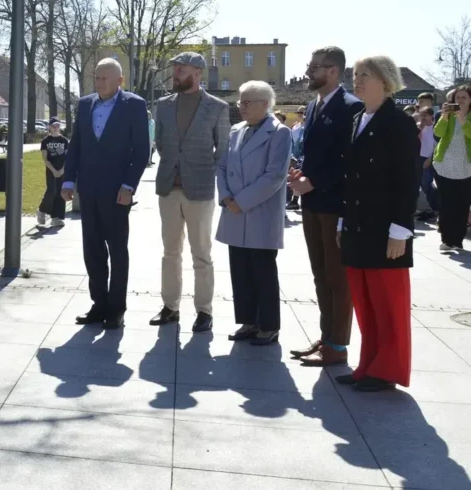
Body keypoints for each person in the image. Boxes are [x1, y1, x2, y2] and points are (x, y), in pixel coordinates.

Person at [336, 56, 418, 392]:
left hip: (386, 228)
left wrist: (401, 228)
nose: (357, 81)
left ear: (385, 81)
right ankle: (368, 365)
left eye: (364, 75)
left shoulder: (398, 122)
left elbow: (408, 179)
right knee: (365, 303)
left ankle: (388, 370)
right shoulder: (358, 118)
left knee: (388, 304)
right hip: (358, 224)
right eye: (354, 75)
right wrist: (343, 219)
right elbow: (351, 176)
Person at [288, 46, 365, 367]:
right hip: (312, 202)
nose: (309, 71)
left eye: (315, 67)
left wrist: (314, 181)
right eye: (310, 65)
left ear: (333, 70)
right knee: (320, 274)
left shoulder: (351, 107)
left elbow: (349, 159)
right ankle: (326, 336)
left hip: (335, 204)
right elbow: (316, 153)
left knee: (337, 277)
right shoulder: (314, 104)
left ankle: (337, 345)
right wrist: (300, 175)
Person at [62, 58, 150, 330]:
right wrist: (68, 181)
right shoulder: (86, 104)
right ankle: (98, 304)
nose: (99, 82)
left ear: (119, 81)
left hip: (117, 193)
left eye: (104, 78)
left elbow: (141, 151)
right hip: (88, 190)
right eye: (96, 77)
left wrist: (128, 187)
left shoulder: (134, 105)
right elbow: (76, 145)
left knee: (117, 250)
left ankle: (116, 308)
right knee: (92, 250)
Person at [151, 52, 231, 333]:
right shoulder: (162, 105)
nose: (176, 74)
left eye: (181, 70)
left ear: (198, 72)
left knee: (201, 253)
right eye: (174, 69)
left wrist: (199, 170)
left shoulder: (217, 107)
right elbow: (160, 142)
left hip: (199, 188)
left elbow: (222, 150)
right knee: (170, 251)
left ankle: (204, 311)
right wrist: (176, 164)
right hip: (168, 187)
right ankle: (170, 307)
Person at [216, 82, 293, 347]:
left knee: (262, 270)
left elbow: (274, 176)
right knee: (240, 270)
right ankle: (248, 321)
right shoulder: (236, 130)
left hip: (259, 211)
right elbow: (222, 166)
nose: (241, 106)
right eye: (240, 101)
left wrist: (242, 201)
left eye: (247, 102)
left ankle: (269, 325)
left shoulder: (279, 133)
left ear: (265, 103)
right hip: (234, 210)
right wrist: (227, 197)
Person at [431, 84, 471, 252]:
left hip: (466, 167)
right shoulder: (444, 114)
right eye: (457, 98)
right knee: (447, 204)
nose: (460, 101)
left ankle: (458, 240)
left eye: (464, 98)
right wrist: (445, 117)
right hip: (444, 165)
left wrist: (463, 120)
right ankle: (446, 240)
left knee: (462, 205)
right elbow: (437, 134)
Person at [38, 118, 69, 227]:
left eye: (57, 125)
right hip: (51, 170)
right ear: (49, 127)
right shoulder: (46, 141)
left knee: (61, 193)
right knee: (51, 191)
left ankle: (56, 218)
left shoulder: (64, 141)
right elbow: (45, 159)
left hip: (62, 171)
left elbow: (67, 158)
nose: (56, 127)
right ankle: (42, 210)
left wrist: (62, 170)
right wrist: (54, 171)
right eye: (53, 126)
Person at [417, 105, 439, 223]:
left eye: (425, 115)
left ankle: (436, 207)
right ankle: (428, 208)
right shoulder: (419, 127)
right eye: (421, 115)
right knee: (421, 185)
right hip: (418, 157)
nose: (423, 117)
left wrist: (429, 159)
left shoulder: (435, 129)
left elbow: (436, 146)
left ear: (431, 116)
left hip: (429, 158)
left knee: (427, 184)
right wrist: (419, 129)